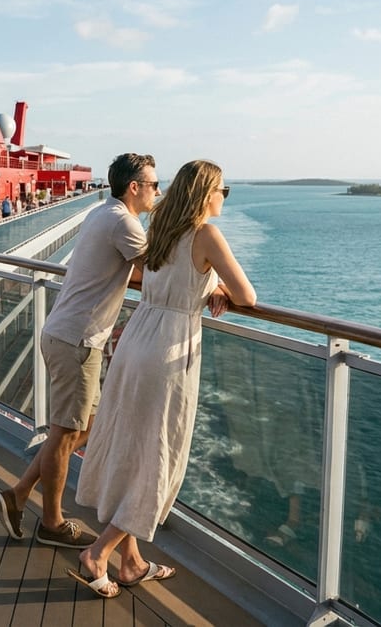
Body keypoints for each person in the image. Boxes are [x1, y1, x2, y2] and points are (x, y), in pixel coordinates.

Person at [70, 159, 257, 598]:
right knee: (157, 454)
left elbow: (171, 277)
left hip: (137, 338)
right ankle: (99, 553)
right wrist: (221, 290)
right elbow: (247, 296)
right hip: (169, 349)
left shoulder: (160, 232)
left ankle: (130, 563)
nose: (224, 199)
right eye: (223, 192)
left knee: (131, 446)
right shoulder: (207, 234)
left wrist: (205, 286)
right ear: (206, 194)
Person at [0, 153, 159, 549]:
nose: (158, 190)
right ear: (133, 187)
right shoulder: (125, 223)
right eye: (153, 184)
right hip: (78, 341)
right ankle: (51, 523)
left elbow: (132, 269)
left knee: (81, 428)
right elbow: (161, 270)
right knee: (65, 434)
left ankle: (18, 495)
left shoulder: (102, 212)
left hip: (69, 336)